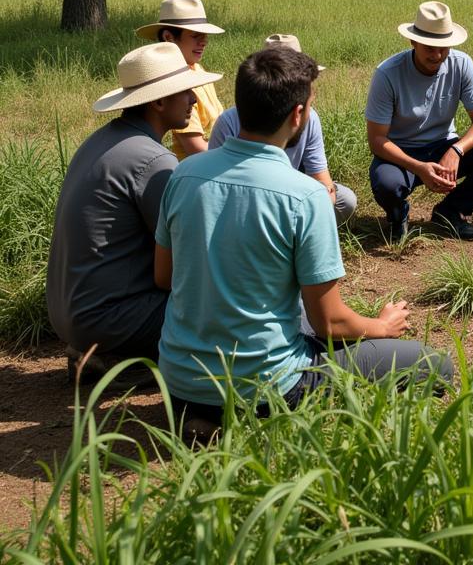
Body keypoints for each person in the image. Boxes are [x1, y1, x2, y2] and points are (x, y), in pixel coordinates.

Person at [156, 45, 452, 425]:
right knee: (434, 365)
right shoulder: (304, 195)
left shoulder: (183, 175)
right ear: (298, 115)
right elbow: (331, 323)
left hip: (179, 384)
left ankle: (205, 414)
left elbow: (164, 276)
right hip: (266, 388)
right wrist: (382, 327)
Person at [46, 43, 222, 373]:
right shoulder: (153, 160)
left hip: (68, 313)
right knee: (224, 308)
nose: (195, 101)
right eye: (186, 93)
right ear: (158, 101)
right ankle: (126, 363)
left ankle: (107, 353)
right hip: (109, 318)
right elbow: (186, 257)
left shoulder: (102, 140)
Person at [365, 1, 473, 240]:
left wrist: (456, 150)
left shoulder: (461, 63)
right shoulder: (388, 73)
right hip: (402, 151)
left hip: (444, 145)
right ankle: (398, 215)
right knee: (386, 183)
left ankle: (451, 211)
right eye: (429, 47)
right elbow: (376, 140)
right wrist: (419, 168)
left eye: (443, 47)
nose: (437, 55)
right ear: (413, 42)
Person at [210, 34, 357, 224]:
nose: (312, 92)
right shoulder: (229, 121)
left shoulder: (310, 118)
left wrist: (322, 201)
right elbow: (217, 187)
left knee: (345, 200)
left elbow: (321, 177)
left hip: (292, 191)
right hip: (241, 198)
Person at [136, 0, 225, 159]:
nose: (204, 42)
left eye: (205, 35)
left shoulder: (197, 70)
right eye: (195, 35)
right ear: (169, 37)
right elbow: (197, 149)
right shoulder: (175, 83)